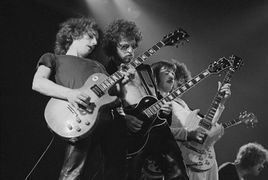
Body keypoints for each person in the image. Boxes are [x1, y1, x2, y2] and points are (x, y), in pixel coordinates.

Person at [32, 17, 126, 180]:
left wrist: (123, 81)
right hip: (79, 118)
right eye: (90, 36)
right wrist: (70, 94)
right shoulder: (53, 58)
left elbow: (113, 97)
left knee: (115, 170)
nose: (95, 42)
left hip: (107, 121)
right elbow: (38, 83)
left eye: (97, 38)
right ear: (73, 35)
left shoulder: (98, 66)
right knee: (73, 173)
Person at [102, 19, 189, 180]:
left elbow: (154, 99)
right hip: (130, 136)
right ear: (112, 48)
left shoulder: (145, 69)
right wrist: (123, 118)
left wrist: (165, 111)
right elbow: (102, 108)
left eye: (133, 46)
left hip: (158, 130)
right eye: (124, 46)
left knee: (179, 175)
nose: (130, 51)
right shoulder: (105, 73)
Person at [142, 60, 231, 180]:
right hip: (175, 162)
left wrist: (220, 103)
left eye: (173, 73)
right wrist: (187, 134)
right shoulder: (152, 101)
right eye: (167, 72)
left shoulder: (182, 104)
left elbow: (205, 126)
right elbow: (153, 130)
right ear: (155, 76)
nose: (172, 76)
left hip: (197, 161)